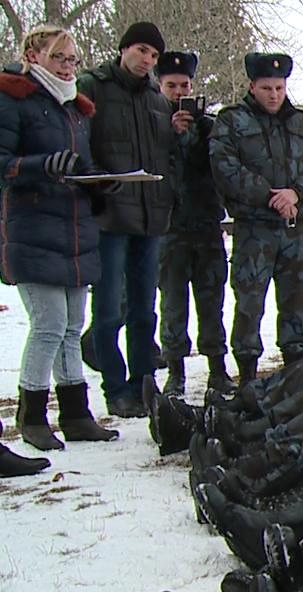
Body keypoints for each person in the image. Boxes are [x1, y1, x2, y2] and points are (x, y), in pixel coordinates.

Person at [1, 24, 118, 455]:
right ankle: (31, 414)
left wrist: (101, 183)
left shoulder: (75, 109)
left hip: (74, 227)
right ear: (34, 57)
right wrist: (42, 165)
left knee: (71, 327)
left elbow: (81, 165)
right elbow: (5, 165)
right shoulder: (14, 99)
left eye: (73, 60)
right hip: (33, 228)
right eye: (60, 58)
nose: (69, 67)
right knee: (48, 325)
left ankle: (76, 413)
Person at [209, 52, 303, 383]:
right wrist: (270, 197)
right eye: (266, 88)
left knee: (295, 302)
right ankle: (247, 375)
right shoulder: (232, 121)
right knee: (249, 303)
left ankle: (294, 374)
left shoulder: (302, 123)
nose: (274, 94)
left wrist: (297, 192)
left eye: (279, 87)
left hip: (295, 228)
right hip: (254, 229)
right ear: (252, 86)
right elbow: (224, 167)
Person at [77, 21, 178, 417]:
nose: (147, 60)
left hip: (151, 216)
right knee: (108, 310)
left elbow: (164, 154)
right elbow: (80, 142)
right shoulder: (94, 85)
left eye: (153, 55)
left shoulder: (156, 97)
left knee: (144, 308)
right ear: (124, 50)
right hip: (110, 215)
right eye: (141, 51)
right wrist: (100, 185)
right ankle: (115, 388)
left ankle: (142, 384)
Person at [155, 50, 233, 396]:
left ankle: (217, 368)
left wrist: (196, 135)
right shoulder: (153, 124)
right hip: (169, 229)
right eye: (171, 85)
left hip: (206, 226)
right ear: (160, 86)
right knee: (172, 305)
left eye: (184, 85)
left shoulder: (210, 128)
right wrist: (171, 136)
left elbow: (220, 168)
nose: (178, 91)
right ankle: (176, 370)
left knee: (211, 303)